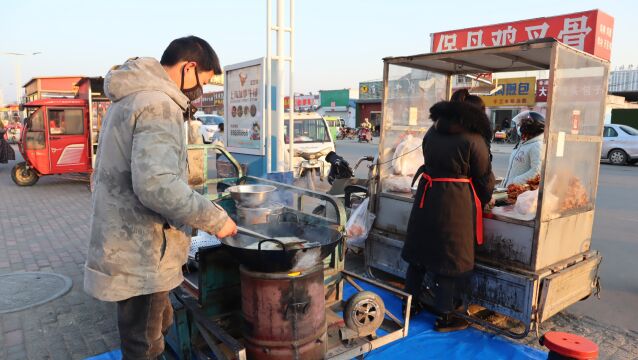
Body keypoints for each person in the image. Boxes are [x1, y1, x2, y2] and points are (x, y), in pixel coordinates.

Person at [84, 36, 237, 360]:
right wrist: (215, 219)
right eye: (204, 82)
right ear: (189, 67)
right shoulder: (159, 104)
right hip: (142, 251)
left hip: (126, 242)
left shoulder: (130, 97)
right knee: (145, 345)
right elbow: (157, 184)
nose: (201, 91)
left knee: (158, 322)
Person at [402, 99, 495, 332]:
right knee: (451, 257)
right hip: (455, 200)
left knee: (420, 252)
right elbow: (483, 178)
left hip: (427, 193)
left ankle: (409, 304)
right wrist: (485, 199)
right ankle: (449, 315)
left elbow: (428, 161)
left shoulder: (432, 133)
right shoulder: (473, 139)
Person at [502, 111, 545, 187]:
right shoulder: (524, 143)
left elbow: (537, 172)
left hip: (521, 192)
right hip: (512, 188)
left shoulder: (537, 145)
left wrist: (515, 181)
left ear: (530, 128)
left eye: (521, 125)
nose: (519, 127)